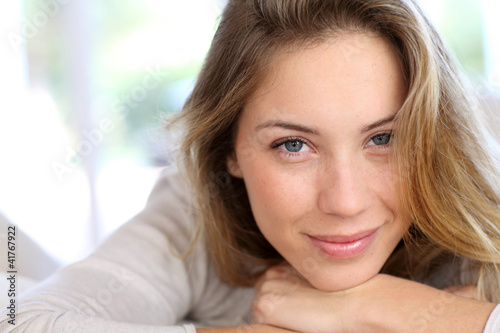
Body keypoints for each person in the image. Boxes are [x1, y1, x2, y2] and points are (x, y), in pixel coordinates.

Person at [2, 0, 500, 332]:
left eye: (384, 138)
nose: (346, 201)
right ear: (230, 152)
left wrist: (375, 308)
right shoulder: (196, 208)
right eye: (293, 146)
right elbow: (23, 320)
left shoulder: (481, 179)